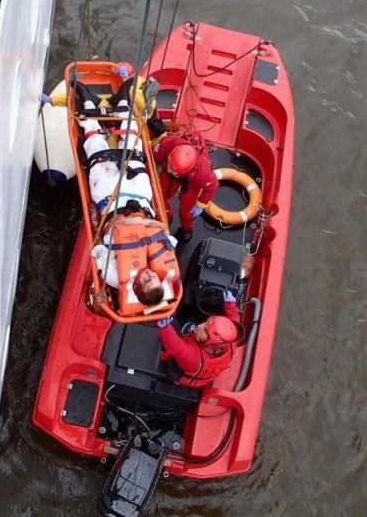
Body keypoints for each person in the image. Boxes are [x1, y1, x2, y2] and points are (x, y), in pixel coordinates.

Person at [70, 78, 181, 316]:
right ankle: (122, 98)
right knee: (135, 150)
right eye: (154, 279)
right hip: (141, 202)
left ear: (138, 287)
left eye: (148, 280)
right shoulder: (163, 268)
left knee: (97, 152)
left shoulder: (115, 276)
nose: (152, 274)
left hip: (110, 205)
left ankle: (87, 102)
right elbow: (169, 241)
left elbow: (98, 252)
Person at [155, 290, 245, 388]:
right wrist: (230, 304)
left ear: (213, 342)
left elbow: (176, 347)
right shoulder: (229, 341)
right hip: (195, 348)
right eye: (206, 323)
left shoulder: (193, 358)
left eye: (205, 330)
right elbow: (232, 322)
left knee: (172, 324)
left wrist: (164, 328)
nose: (200, 325)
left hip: (180, 369)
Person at [152, 131, 219, 242]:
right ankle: (167, 218)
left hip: (191, 182)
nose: (169, 169)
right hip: (172, 176)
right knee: (161, 197)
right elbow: (154, 155)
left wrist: (200, 205)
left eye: (172, 169)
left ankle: (187, 229)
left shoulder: (202, 174)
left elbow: (212, 186)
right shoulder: (168, 143)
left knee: (186, 210)